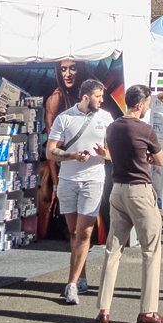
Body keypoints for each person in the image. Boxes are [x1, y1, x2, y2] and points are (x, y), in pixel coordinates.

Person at [93, 84, 163, 323]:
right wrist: (146, 156)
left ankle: (104, 310)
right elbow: (159, 159)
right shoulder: (145, 129)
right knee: (151, 249)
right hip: (140, 191)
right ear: (140, 104)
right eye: (147, 103)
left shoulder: (113, 127)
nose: (148, 107)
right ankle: (148, 310)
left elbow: (114, 154)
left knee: (113, 250)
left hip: (117, 189)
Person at [47, 78, 113, 305]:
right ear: (85, 97)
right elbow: (50, 152)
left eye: (102, 96)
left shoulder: (106, 118)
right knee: (74, 233)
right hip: (67, 180)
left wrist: (104, 153)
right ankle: (81, 276)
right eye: (98, 96)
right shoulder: (64, 118)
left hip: (93, 180)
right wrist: (73, 155)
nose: (102, 100)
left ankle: (71, 284)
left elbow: (114, 153)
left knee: (85, 233)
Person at [39, 59, 83, 239]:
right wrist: (56, 185)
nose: (68, 74)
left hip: (77, 165)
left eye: (72, 68)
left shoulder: (80, 97)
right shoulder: (56, 99)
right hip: (57, 168)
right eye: (63, 69)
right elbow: (51, 147)